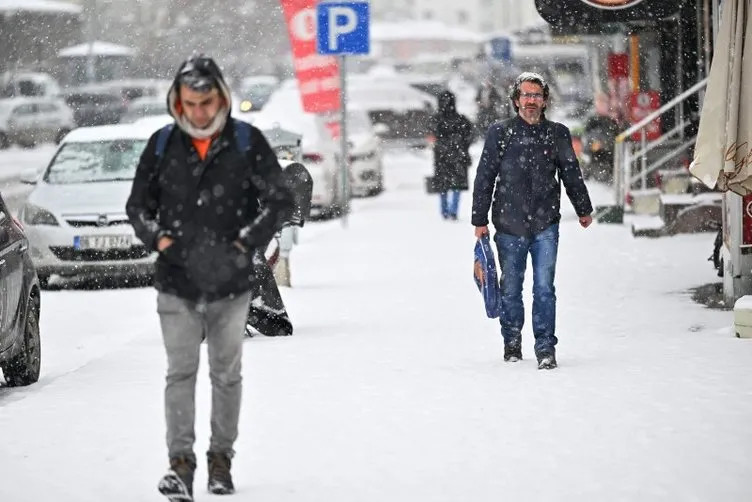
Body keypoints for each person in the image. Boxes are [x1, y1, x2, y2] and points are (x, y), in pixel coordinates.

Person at [126, 54, 293, 500]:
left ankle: (221, 461)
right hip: (176, 283)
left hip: (231, 283)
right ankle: (180, 465)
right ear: (176, 102)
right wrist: (159, 240)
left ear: (221, 97)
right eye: (190, 103)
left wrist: (245, 242)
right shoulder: (162, 145)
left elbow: (279, 200)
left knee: (226, 374)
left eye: (207, 102)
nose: (199, 112)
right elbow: (137, 207)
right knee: (180, 373)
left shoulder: (246, 142)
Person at [471, 72, 593, 370]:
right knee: (511, 288)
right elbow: (485, 177)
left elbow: (570, 172)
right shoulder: (500, 133)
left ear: (545, 100)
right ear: (515, 101)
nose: (531, 101)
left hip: (545, 223)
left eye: (536, 95)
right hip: (508, 223)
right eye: (525, 95)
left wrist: (583, 208)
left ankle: (545, 347)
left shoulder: (558, 133)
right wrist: (479, 218)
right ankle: (511, 341)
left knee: (544, 288)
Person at [431, 90, 474, 220]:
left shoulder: (436, 120)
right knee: (457, 184)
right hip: (458, 156)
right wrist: (461, 146)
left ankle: (444, 210)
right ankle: (453, 210)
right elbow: (470, 136)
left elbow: (432, 137)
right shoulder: (462, 120)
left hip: (441, 156)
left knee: (443, 185)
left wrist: (442, 145)